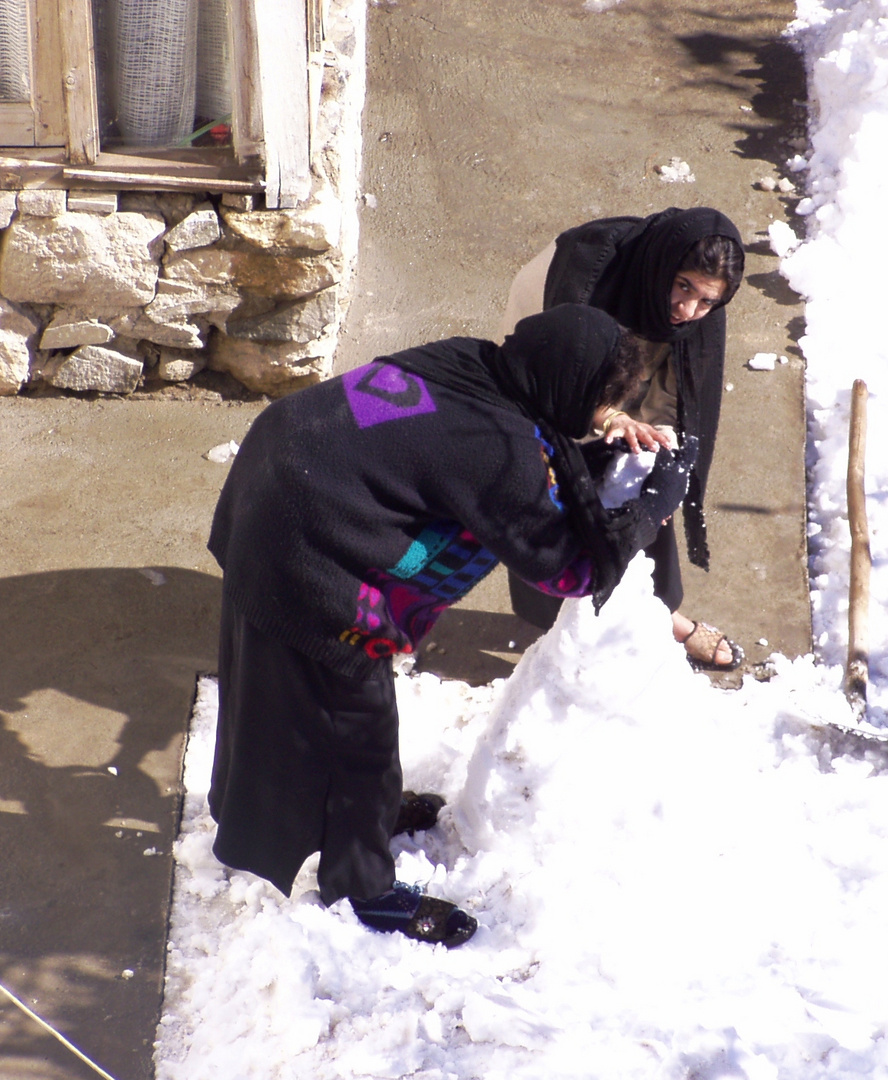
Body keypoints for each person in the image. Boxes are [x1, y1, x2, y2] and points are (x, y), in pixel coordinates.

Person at [205, 304, 698, 948]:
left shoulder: (474, 364)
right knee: (358, 724)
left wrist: (601, 420)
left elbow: (514, 453)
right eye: (601, 399)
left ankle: (360, 817)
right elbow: (567, 569)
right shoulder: (494, 449)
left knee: (283, 686)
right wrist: (654, 503)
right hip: (307, 548)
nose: (601, 413)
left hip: (278, 478)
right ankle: (362, 885)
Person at [498, 206, 746, 670]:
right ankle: (563, 631)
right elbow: (553, 378)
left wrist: (661, 461)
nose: (689, 310)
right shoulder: (586, 276)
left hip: (626, 368)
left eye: (707, 301)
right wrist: (608, 415)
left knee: (641, 480)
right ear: (663, 267)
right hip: (553, 361)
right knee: (553, 490)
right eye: (684, 286)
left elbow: (683, 395)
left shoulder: (696, 314)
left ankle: (657, 614)